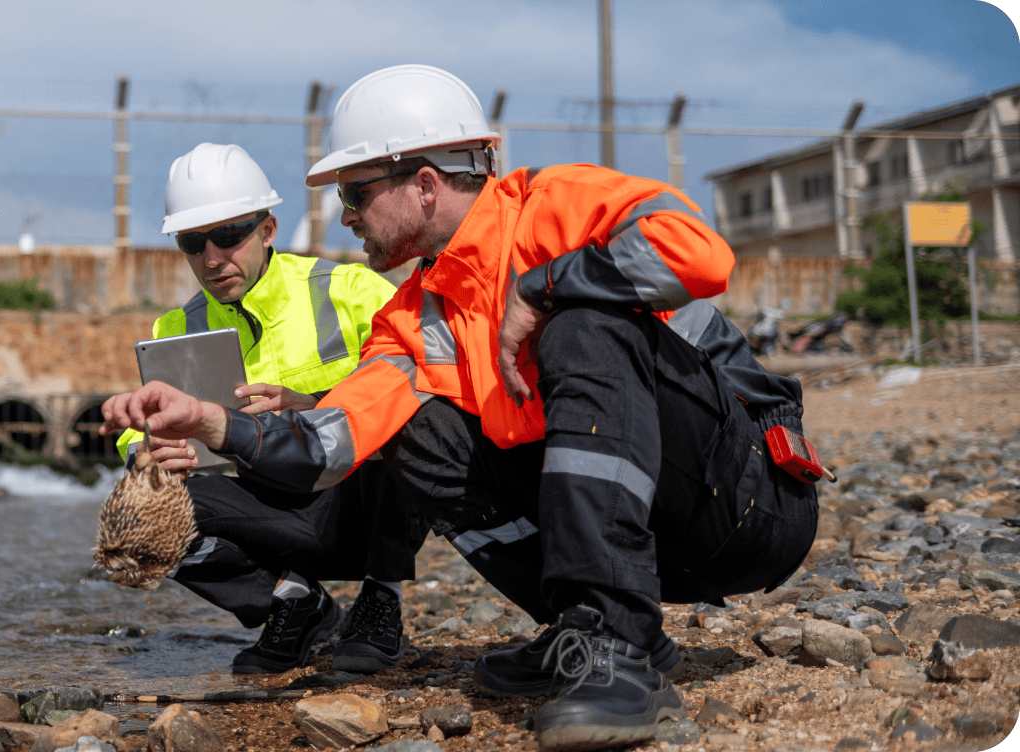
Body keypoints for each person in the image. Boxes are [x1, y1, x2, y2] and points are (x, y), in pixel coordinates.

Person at [100, 66, 818, 751]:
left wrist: (544, 290)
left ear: (423, 183)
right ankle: (582, 622)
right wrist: (208, 423)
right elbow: (327, 445)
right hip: (661, 537)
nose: (345, 217)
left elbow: (699, 255)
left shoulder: (555, 202)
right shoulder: (413, 317)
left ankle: (613, 642)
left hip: (752, 501)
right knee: (422, 430)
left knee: (583, 323)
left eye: (353, 193)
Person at [114, 142, 424, 675]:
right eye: (194, 242)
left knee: (400, 421)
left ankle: (381, 598)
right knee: (137, 507)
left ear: (268, 231)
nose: (213, 258)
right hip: (270, 512)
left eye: (230, 236)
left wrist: (316, 403)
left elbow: (425, 380)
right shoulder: (175, 330)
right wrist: (147, 448)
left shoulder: (349, 292)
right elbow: (142, 432)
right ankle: (292, 601)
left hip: (353, 501)